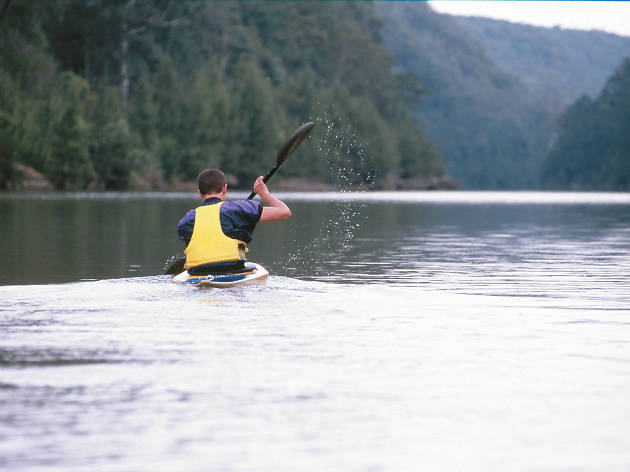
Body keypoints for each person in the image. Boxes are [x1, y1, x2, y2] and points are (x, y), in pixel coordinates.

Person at [177, 168, 291, 275]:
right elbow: (284, 212)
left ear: (199, 193)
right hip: (233, 269)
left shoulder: (187, 219)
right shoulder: (239, 209)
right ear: (225, 188)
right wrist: (264, 194)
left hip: (198, 272)